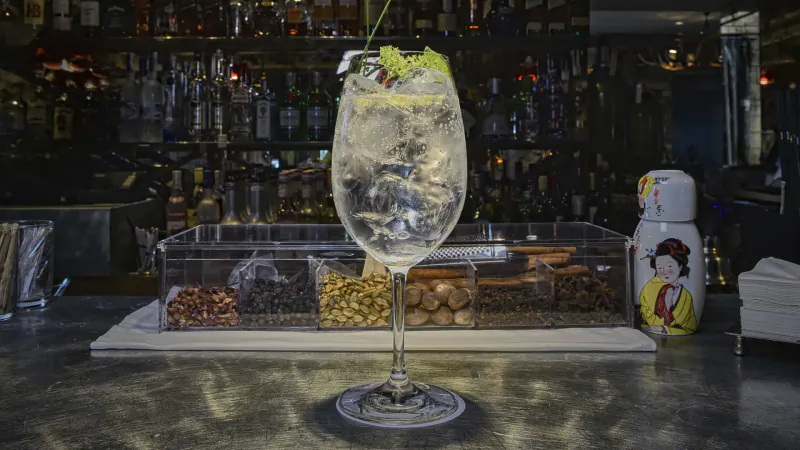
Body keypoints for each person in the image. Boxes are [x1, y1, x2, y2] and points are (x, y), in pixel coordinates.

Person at [639, 238, 697, 335]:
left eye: (669, 266)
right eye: (659, 267)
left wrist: (664, 329)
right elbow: (646, 317)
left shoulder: (686, 296)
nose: (664, 271)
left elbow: (689, 326)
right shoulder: (650, 287)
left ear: (680, 266)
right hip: (648, 336)